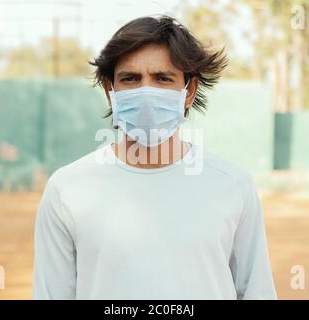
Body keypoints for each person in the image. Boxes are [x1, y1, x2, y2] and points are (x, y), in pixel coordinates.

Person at [33, 15, 277, 300]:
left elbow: (256, 292)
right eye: (130, 78)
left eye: (163, 78)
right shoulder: (67, 190)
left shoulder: (234, 185)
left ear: (189, 91)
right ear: (110, 91)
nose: (146, 92)